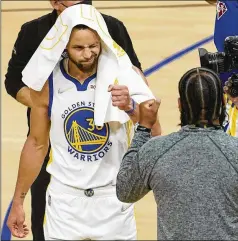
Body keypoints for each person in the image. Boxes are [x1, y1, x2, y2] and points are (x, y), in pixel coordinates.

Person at [4, 1, 160, 240]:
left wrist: (130, 107)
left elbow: (155, 132)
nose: (88, 54)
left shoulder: (127, 75)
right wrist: (18, 201)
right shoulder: (48, 85)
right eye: (79, 48)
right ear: (64, 46)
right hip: (65, 204)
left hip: (113, 200)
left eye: (93, 46)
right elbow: (36, 144)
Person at [116, 67, 238, 240]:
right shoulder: (234, 152)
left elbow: (125, 191)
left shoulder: (156, 150)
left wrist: (143, 129)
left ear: (180, 105)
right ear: (223, 104)